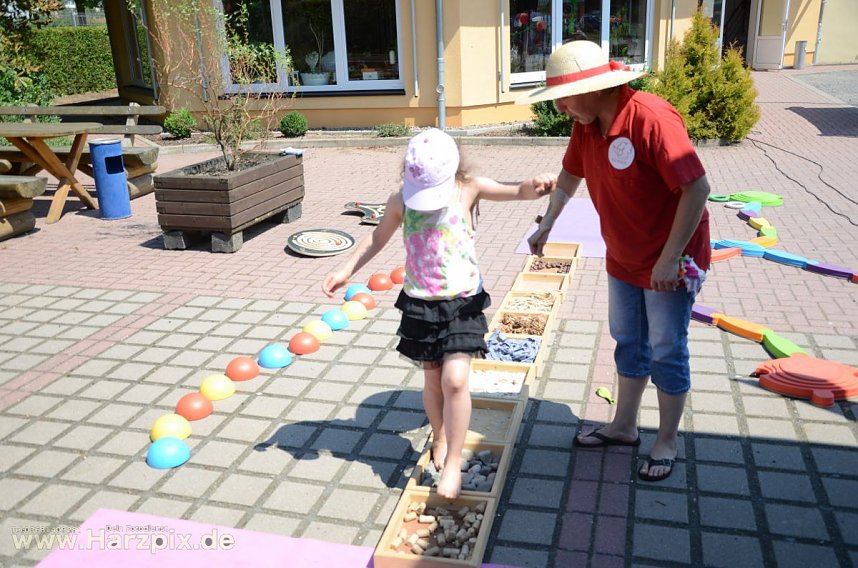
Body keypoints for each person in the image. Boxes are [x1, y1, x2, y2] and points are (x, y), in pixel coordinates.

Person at [322, 128, 556, 497]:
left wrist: (536, 185)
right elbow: (376, 237)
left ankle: (452, 465)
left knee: (456, 381)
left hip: (462, 301)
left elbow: (515, 191)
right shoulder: (401, 200)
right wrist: (346, 269)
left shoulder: (468, 188)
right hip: (420, 304)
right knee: (433, 384)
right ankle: (441, 436)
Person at [517, 41, 711, 482]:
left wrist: (669, 259)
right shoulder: (586, 123)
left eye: (565, 97)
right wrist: (549, 222)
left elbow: (697, 190)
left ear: (595, 88)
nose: (561, 107)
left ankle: (666, 439)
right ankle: (624, 426)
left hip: (669, 261)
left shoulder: (651, 119)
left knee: (666, 350)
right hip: (623, 255)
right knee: (628, 340)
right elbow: (571, 172)